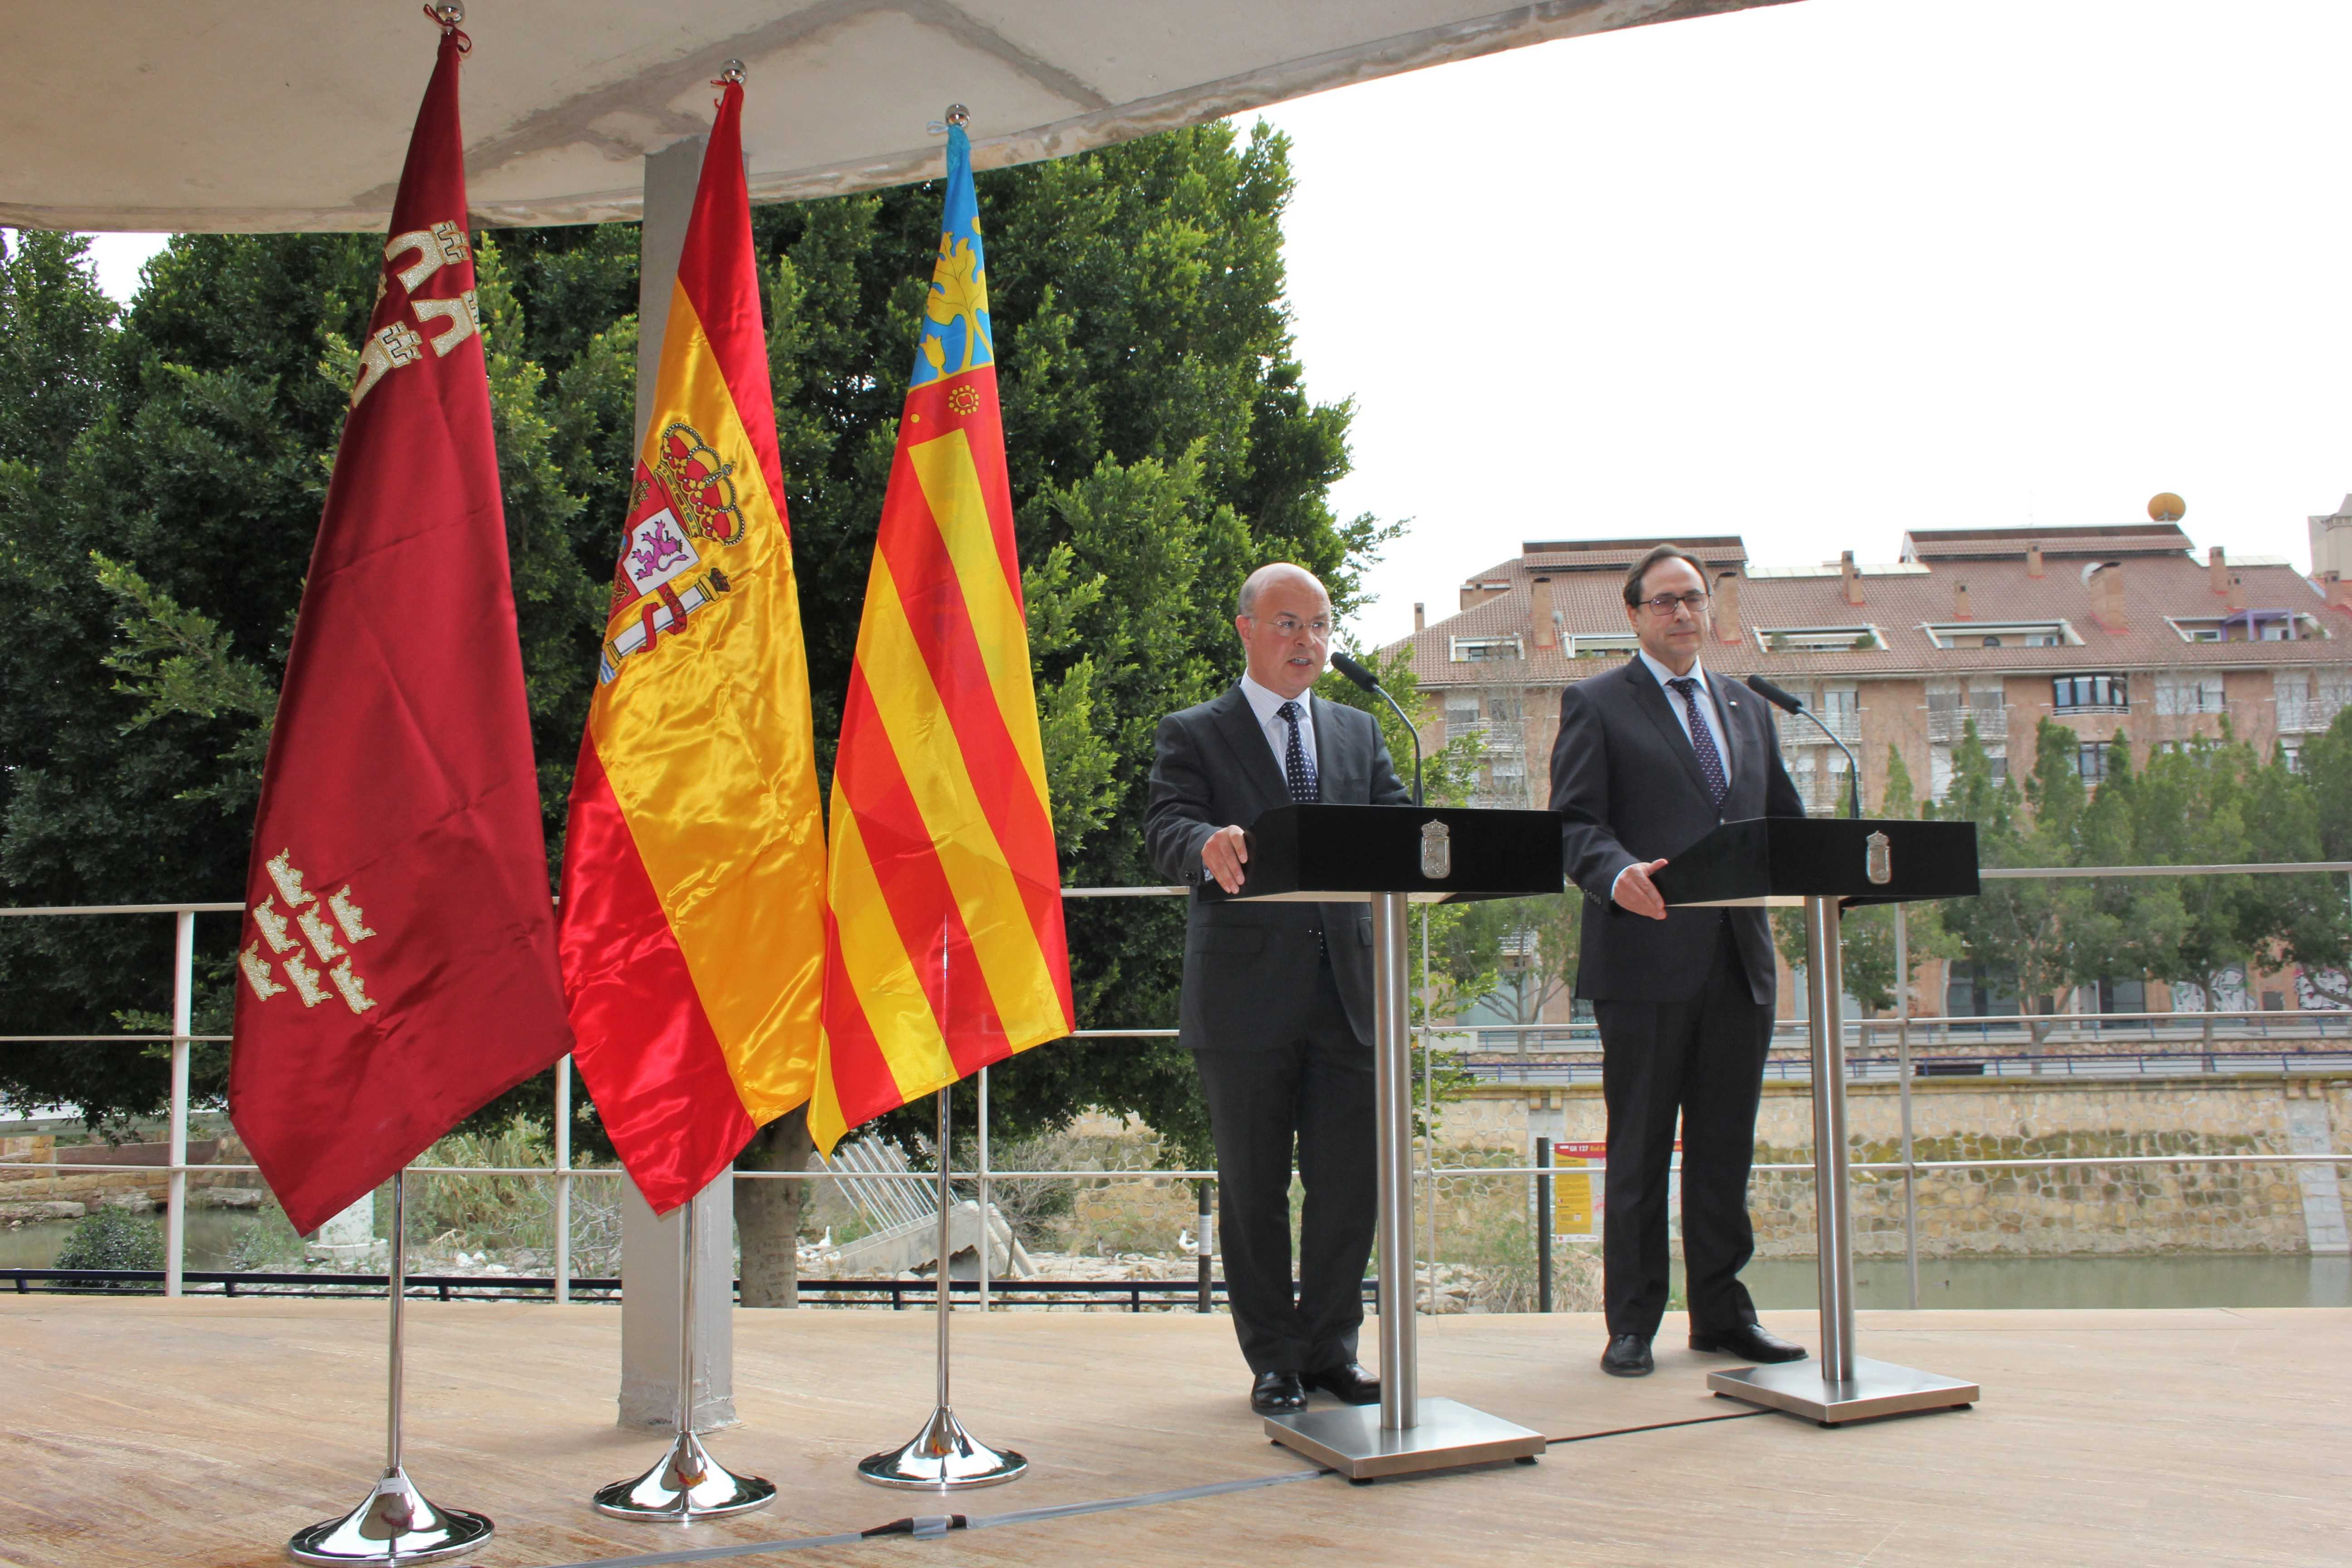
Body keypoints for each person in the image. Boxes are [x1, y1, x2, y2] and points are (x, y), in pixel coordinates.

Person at [1145, 563, 1411, 1414]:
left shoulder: (1359, 733)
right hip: (1244, 1000)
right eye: (1290, 624)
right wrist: (1203, 845)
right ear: (1247, 631)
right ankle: (1273, 1360)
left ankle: (1331, 1347)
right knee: (1254, 1189)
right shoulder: (1195, 731)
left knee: (1350, 1185)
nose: (1310, 641)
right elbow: (1164, 827)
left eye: (1322, 625)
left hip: (1352, 996)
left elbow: (1400, 826)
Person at [1548, 543, 1811, 1377]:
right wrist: (1615, 874)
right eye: (1663, 601)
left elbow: (1783, 827)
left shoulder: (1747, 706)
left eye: (1692, 598)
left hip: (1740, 962)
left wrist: (1833, 861)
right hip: (1644, 961)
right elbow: (1573, 824)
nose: (1681, 613)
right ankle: (1632, 1323)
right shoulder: (1596, 702)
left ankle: (1723, 1316)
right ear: (1633, 615)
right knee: (1640, 1150)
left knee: (1725, 1148)